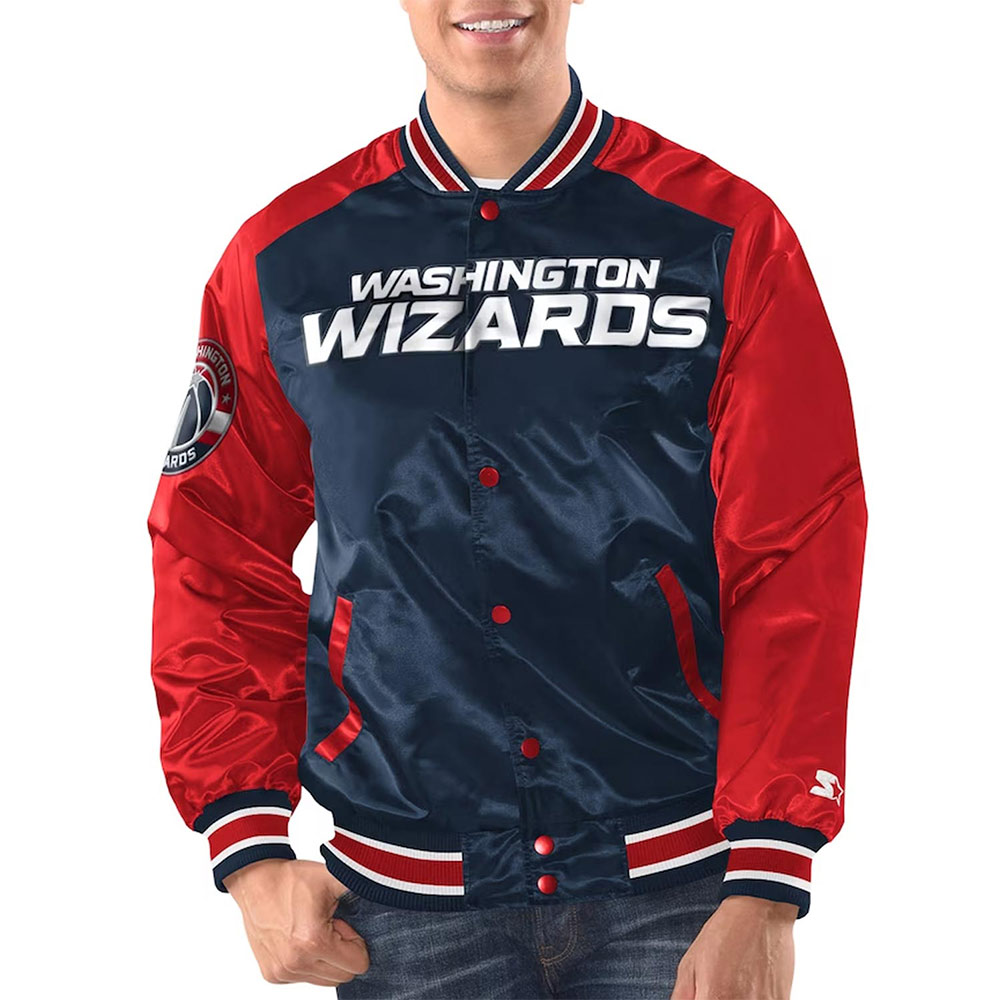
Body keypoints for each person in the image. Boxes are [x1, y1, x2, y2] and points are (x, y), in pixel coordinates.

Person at [148, 1, 867, 996]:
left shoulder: (721, 234)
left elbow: (798, 546)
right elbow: (213, 543)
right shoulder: (288, 257)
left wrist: (770, 876)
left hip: (682, 892)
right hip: (399, 906)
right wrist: (248, 841)